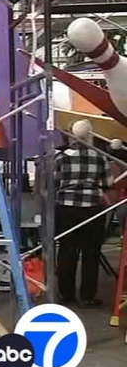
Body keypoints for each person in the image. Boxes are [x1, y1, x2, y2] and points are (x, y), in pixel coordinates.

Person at [54, 127, 110, 308]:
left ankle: (67, 294)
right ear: (90, 135)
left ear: (72, 135)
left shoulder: (61, 157)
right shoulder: (100, 156)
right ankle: (87, 297)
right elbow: (107, 182)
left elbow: (54, 182)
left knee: (66, 251)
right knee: (91, 253)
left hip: (66, 208)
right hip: (93, 208)